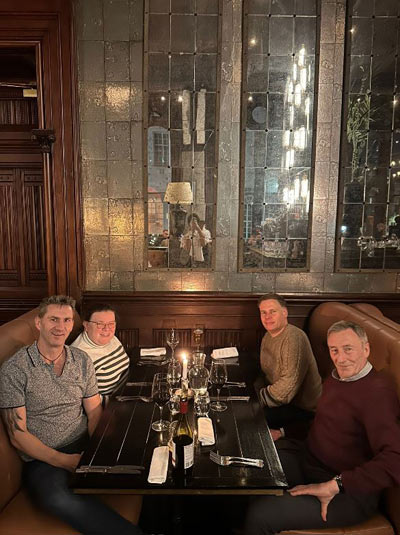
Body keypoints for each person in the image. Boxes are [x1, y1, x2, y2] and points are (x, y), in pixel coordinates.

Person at [0, 295, 143, 535]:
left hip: (84, 442)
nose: (61, 326)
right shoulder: (15, 369)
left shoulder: (81, 359)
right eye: (53, 319)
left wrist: (98, 448)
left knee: (142, 455)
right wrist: (65, 461)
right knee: (56, 498)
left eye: (67, 320)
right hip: (43, 457)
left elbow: (94, 411)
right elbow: (18, 435)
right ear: (39, 323)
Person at [245, 321, 400, 535]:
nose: (341, 358)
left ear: (366, 349)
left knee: (261, 515)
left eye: (348, 349)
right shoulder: (336, 378)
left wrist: (336, 484)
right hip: (310, 462)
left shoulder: (378, 393)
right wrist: (283, 432)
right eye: (334, 350)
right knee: (252, 469)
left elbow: (395, 459)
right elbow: (324, 422)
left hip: (348, 492)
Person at [257, 294, 321, 440]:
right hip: (280, 402)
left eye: (273, 311)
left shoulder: (294, 338)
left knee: (247, 419)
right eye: (263, 312)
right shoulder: (268, 336)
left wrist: (257, 399)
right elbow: (264, 374)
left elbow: (286, 391)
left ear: (284, 312)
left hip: (303, 410)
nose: (267, 317)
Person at [72, 303, 130, 403]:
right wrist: (121, 404)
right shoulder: (78, 357)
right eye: (100, 324)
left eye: (111, 323)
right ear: (86, 325)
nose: (106, 328)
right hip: (111, 406)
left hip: (127, 393)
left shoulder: (111, 338)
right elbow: (80, 399)